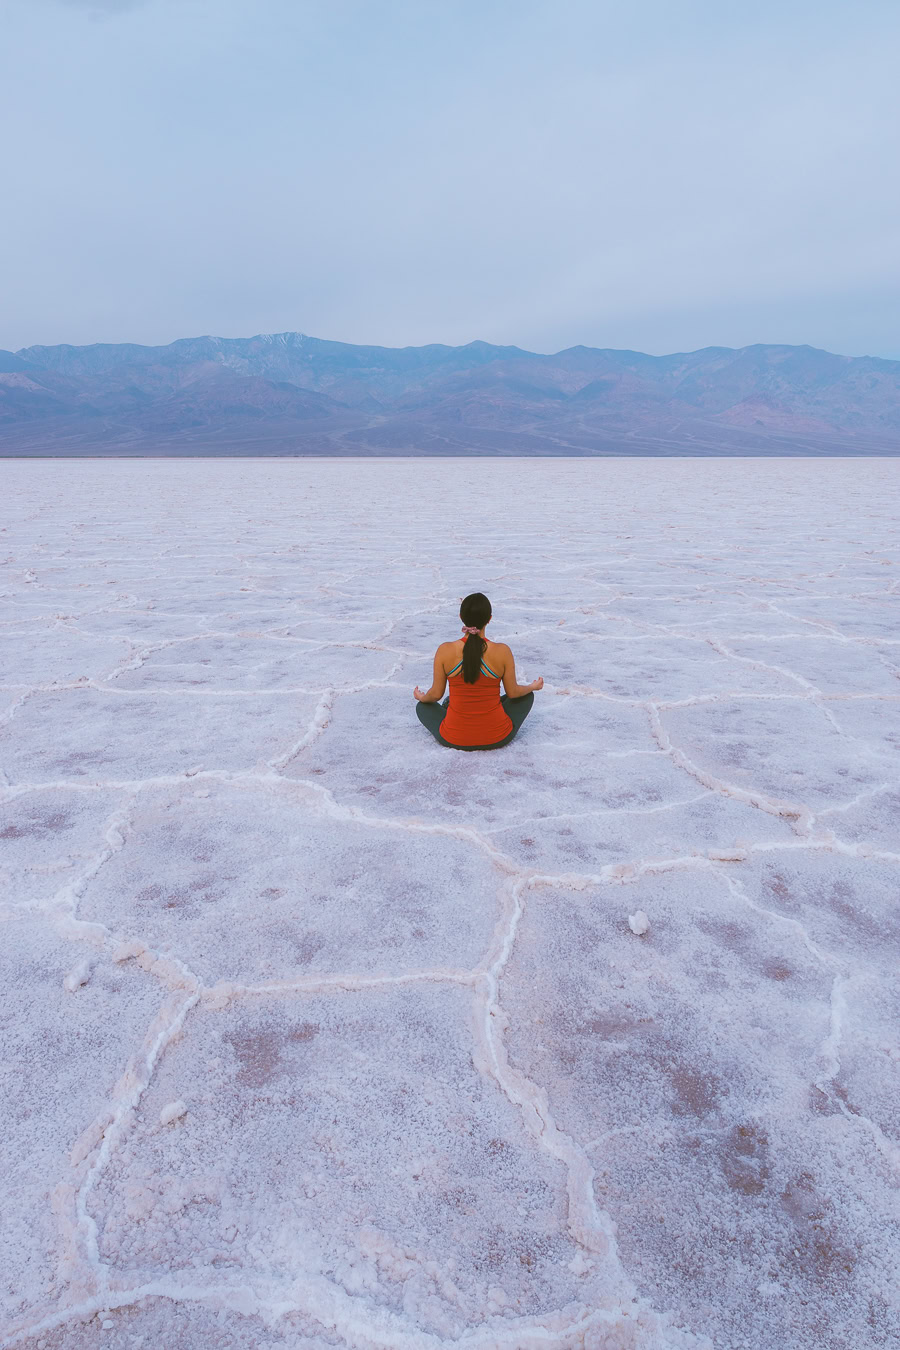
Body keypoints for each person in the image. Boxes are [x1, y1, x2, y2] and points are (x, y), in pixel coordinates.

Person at [414, 592, 543, 750]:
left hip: (454, 738)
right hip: (497, 737)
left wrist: (422, 697)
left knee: (422, 706)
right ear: (489, 619)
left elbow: (435, 694)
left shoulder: (445, 650)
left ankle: (450, 708)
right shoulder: (502, 651)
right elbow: (514, 693)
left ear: (461, 617)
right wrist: (532, 687)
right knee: (526, 696)